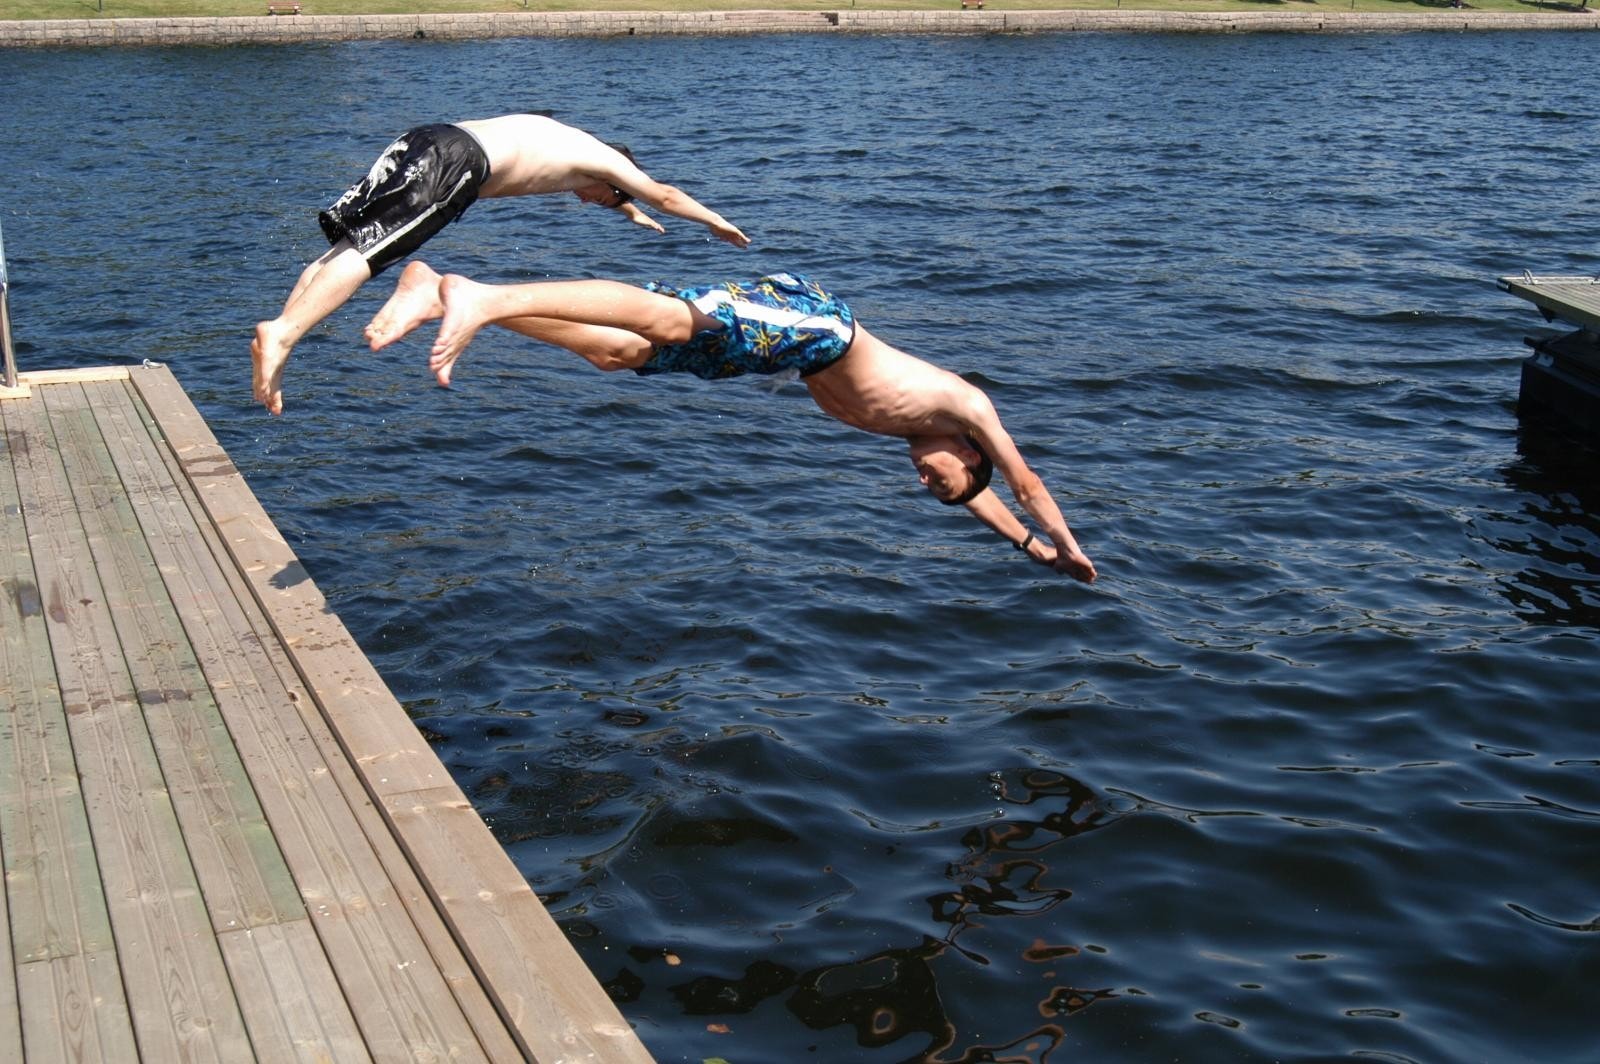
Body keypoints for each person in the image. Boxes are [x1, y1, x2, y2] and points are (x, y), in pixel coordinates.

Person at [364, 261, 1098, 582]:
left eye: (928, 488)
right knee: (669, 320)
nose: (922, 478)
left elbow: (982, 497)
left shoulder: (914, 434)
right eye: (940, 481)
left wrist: (1026, 549)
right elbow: (1022, 480)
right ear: (971, 455)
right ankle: (489, 300)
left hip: (778, 360)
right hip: (814, 327)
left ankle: (459, 293)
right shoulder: (967, 406)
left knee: (621, 357)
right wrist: (1064, 543)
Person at [252, 113, 752, 416]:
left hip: (423, 140)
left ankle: (280, 337)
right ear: (616, 175)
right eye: (603, 199)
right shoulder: (605, 164)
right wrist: (716, 222)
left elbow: (608, 186)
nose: (586, 202)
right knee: (369, 255)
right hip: (457, 165)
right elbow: (661, 192)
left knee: (341, 249)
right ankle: (285, 334)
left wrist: (631, 212)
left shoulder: (570, 139)